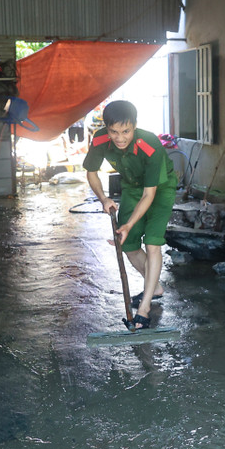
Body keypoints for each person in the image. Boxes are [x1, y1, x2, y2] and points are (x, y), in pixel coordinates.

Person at [83, 101, 176, 329]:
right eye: (114, 131)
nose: (120, 138)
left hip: (159, 189)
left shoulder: (149, 144)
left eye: (126, 131)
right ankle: (154, 287)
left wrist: (128, 224)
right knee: (129, 245)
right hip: (133, 189)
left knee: (153, 243)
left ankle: (144, 309)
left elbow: (149, 194)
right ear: (106, 128)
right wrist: (104, 198)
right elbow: (91, 173)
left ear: (134, 126)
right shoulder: (100, 139)